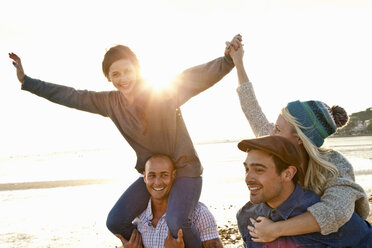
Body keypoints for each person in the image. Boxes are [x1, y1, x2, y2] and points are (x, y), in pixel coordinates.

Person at [9, 35, 240, 247]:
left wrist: (227, 60)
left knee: (176, 221)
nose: (122, 79)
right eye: (115, 74)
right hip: (153, 175)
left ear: (137, 70)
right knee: (116, 220)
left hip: (185, 170)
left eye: (127, 71)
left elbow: (196, 77)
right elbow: (71, 95)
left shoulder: (161, 92)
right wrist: (27, 81)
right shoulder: (109, 103)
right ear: (108, 77)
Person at [226, 40, 370, 242]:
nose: (271, 133)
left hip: (338, 237)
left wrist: (276, 230)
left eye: (278, 129)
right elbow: (251, 109)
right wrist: (238, 62)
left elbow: (336, 212)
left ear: (299, 139)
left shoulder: (334, 165)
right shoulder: (276, 143)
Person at [236, 135, 372, 247]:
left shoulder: (328, 218)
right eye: (246, 169)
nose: (248, 178)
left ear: (288, 174)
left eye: (259, 170)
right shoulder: (245, 216)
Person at [115, 154, 223, 248]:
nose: (157, 182)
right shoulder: (138, 218)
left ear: (173, 175)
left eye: (164, 175)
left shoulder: (199, 215)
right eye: (151, 175)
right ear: (144, 177)